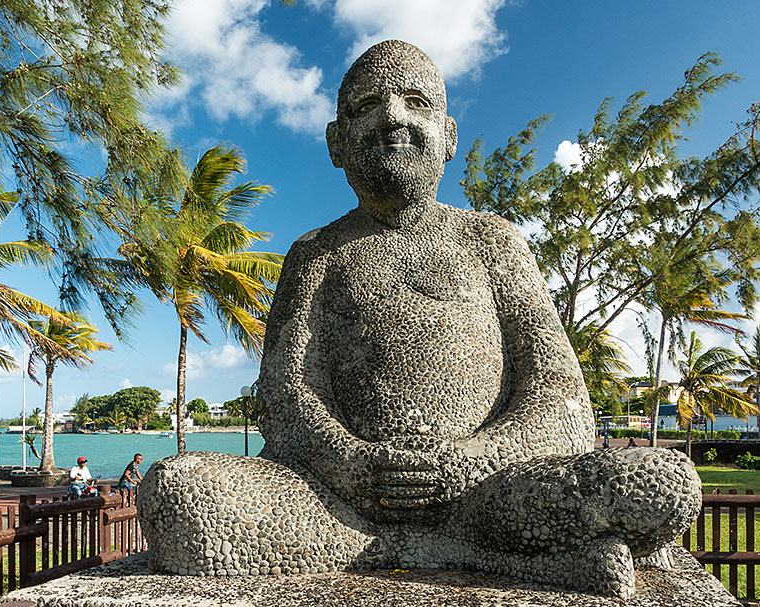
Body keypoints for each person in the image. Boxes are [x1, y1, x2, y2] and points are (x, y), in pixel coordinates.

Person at [139, 40, 701, 598]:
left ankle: (449, 542)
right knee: (176, 492)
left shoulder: (492, 241)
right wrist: (355, 466)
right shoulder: (316, 254)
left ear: (449, 135)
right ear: (336, 143)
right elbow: (286, 399)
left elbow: (559, 398)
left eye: (416, 101)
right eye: (366, 106)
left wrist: (469, 464)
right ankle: (461, 554)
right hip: (339, 504)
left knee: (663, 484)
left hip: (488, 493)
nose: (392, 117)